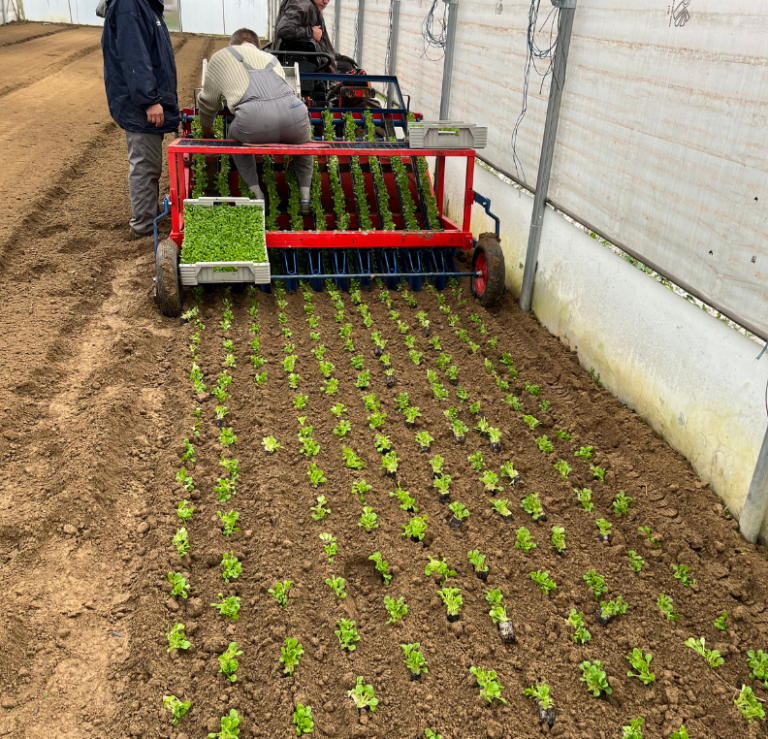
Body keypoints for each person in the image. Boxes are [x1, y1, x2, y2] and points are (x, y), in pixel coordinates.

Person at [198, 28, 313, 215]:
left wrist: (207, 132)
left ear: (231, 45)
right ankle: (305, 196)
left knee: (234, 136)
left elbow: (207, 102)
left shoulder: (221, 56)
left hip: (255, 121)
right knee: (303, 144)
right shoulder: (271, 58)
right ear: (257, 47)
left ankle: (256, 193)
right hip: (296, 113)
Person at [99, 0, 179, 238]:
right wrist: (149, 100)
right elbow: (134, 57)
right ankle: (143, 226)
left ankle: (149, 214)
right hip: (139, 104)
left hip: (144, 101)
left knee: (150, 162)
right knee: (145, 165)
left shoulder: (145, 6)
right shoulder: (130, 5)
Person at [274, 0, 355, 73]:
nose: (326, 2)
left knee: (347, 66)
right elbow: (283, 30)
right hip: (307, 67)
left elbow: (323, 45)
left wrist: (338, 57)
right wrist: (310, 32)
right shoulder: (303, 5)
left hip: (308, 64)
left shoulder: (312, 8)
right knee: (347, 68)